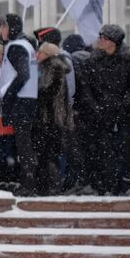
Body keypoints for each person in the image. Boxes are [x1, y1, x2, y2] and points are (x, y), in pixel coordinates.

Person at [75, 24, 130, 195]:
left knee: (126, 149)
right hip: (101, 114)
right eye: (100, 37)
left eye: (104, 38)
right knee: (104, 151)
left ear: (114, 42)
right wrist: (97, 107)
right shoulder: (92, 61)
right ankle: (106, 185)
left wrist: (122, 104)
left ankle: (128, 185)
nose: (100, 40)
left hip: (124, 114)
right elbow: (86, 88)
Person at [0, 13, 42, 195]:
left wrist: (8, 96)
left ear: (12, 27)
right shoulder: (25, 45)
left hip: (21, 102)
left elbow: (23, 75)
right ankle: (28, 182)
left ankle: (28, 185)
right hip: (28, 100)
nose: (1, 30)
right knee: (25, 144)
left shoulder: (16, 47)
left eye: (4, 26)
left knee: (24, 146)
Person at [34, 42, 74, 195]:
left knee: (48, 153)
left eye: (41, 52)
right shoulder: (46, 68)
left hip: (51, 118)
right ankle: (48, 185)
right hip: (50, 118)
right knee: (48, 153)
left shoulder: (54, 68)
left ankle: (50, 186)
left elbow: (49, 92)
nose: (38, 55)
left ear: (48, 54)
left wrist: (34, 95)